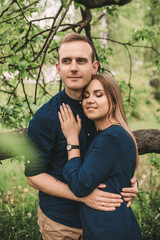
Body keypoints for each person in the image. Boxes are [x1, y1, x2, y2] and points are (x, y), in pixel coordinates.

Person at [25, 33, 138, 240]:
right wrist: (83, 195)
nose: (74, 67)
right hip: (62, 223)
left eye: (81, 60)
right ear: (58, 68)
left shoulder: (100, 108)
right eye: (66, 61)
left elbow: (111, 153)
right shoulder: (45, 118)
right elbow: (34, 175)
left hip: (102, 222)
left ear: (94, 67)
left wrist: (127, 181)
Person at [58, 73, 142, 240]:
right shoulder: (107, 134)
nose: (89, 100)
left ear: (113, 101)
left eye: (99, 94)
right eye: (86, 96)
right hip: (107, 226)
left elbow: (80, 186)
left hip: (109, 230)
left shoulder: (111, 137)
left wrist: (72, 140)